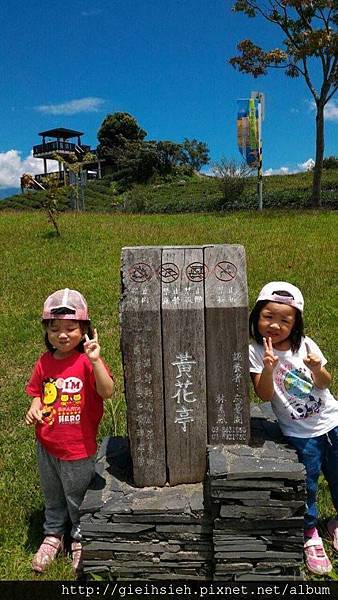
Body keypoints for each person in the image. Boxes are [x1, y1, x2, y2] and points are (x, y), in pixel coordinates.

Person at [249, 281, 338, 576]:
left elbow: (325, 383)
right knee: (308, 485)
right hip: (300, 434)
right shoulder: (255, 350)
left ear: (296, 322)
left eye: (285, 320)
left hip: (331, 422)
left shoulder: (306, 344)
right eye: (268, 317)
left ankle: (335, 522)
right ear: (257, 316)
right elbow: (263, 394)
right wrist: (269, 368)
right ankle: (310, 533)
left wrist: (316, 368)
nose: (275, 325)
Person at [25, 288, 114, 574]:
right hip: (47, 444)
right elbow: (37, 393)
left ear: (84, 328)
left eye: (70, 328)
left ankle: (78, 535)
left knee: (76, 496)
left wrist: (96, 360)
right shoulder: (44, 362)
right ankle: (53, 534)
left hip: (77, 447)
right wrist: (35, 406)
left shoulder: (87, 362)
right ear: (47, 331)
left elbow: (108, 391)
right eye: (55, 329)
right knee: (53, 494)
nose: (62, 335)